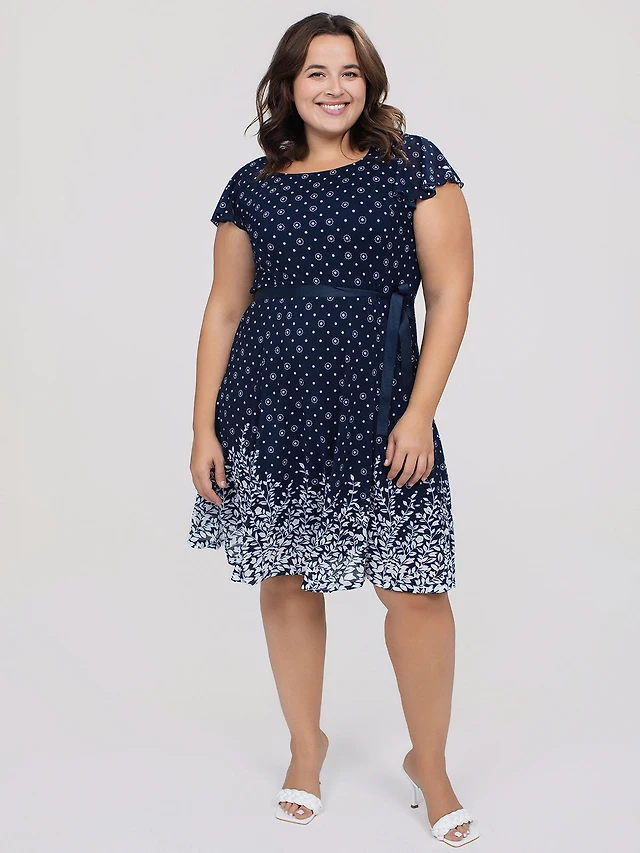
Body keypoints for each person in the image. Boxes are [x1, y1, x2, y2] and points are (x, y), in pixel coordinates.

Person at [188, 12, 476, 847]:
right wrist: (203, 427)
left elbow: (450, 294)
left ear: (368, 82)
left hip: (381, 407)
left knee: (414, 587)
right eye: (316, 72)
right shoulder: (252, 185)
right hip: (270, 406)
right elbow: (224, 308)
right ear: (288, 85)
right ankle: (305, 746)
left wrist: (419, 412)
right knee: (285, 578)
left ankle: (430, 762)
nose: (334, 87)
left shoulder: (414, 167)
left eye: (349, 71)